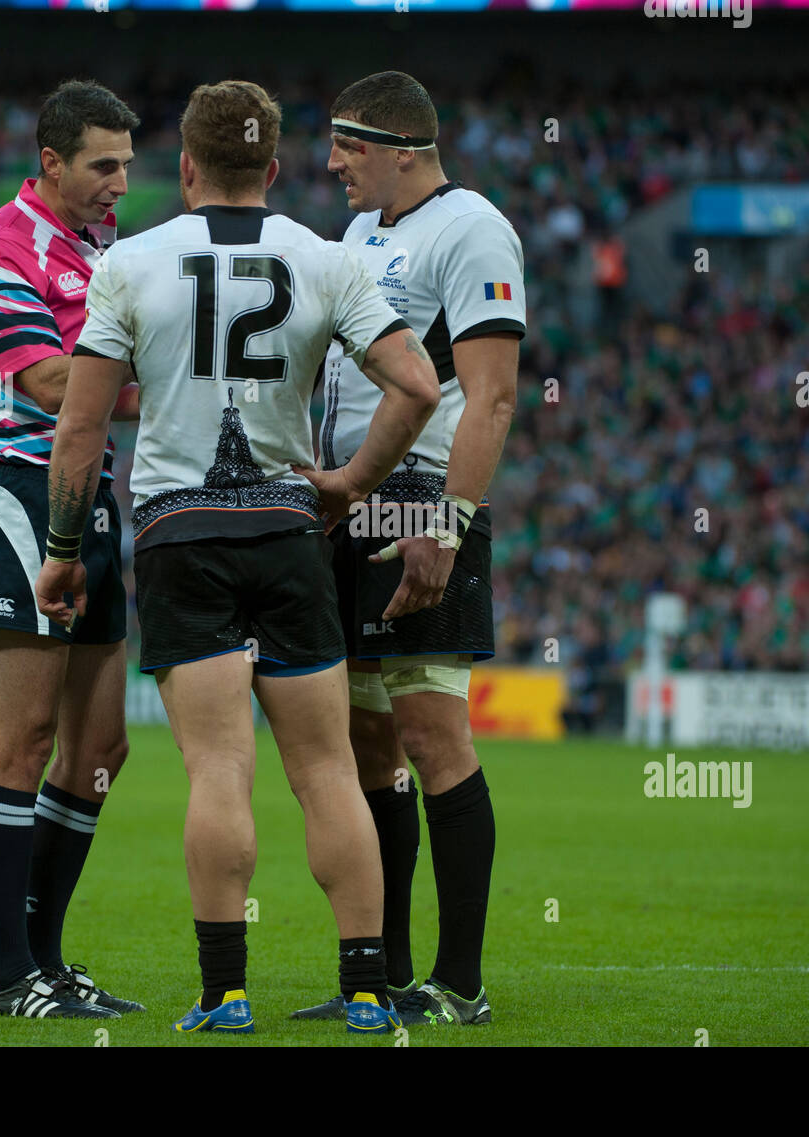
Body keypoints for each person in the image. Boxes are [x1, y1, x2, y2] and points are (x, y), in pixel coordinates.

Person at [35, 80, 441, 1035]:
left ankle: (224, 995)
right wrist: (346, 482)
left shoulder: (129, 264)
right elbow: (418, 385)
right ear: (272, 170)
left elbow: (82, 425)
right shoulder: (324, 256)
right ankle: (369, 990)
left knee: (219, 770)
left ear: (184, 170)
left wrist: (62, 551)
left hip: (183, 534)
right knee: (330, 769)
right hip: (288, 531)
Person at [292, 71, 525, 1027]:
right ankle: (380, 979)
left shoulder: (473, 229)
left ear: (398, 145)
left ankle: (459, 982)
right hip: (348, 501)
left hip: (421, 503)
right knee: (365, 742)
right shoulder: (358, 236)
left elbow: (495, 394)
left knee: (434, 736)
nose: (333, 164)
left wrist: (450, 522)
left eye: (346, 146)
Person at [0, 80, 144, 1019]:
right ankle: (2, 973)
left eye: (128, 166)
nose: (121, 183)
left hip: (91, 495)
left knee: (101, 746)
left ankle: (43, 959)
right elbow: (50, 381)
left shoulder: (98, 248)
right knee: (22, 741)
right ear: (52, 163)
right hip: (18, 496)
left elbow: (108, 388)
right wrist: (178, 375)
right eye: (104, 165)